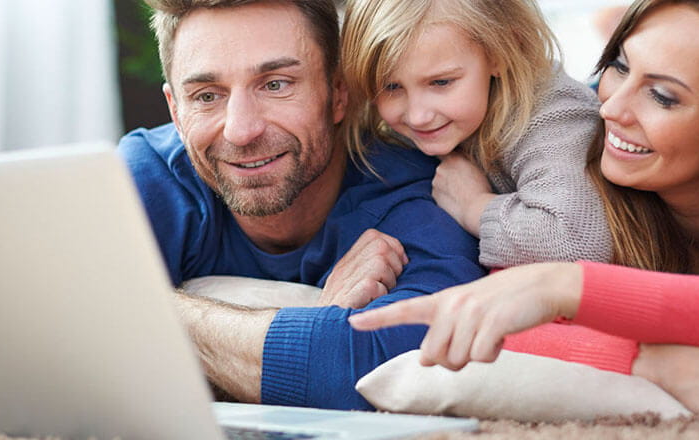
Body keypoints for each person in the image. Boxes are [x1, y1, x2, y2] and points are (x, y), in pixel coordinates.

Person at [350, 0, 699, 426]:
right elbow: (501, 317)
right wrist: (650, 361)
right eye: (618, 66)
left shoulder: (561, 151)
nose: (609, 108)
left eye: (662, 95)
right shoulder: (599, 186)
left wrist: (565, 284)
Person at [118, 0, 485, 410]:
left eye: (276, 84)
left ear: (338, 94)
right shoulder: (147, 176)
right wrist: (317, 322)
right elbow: (56, 340)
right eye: (206, 95)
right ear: (176, 110)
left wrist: (136, 308)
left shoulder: (416, 196)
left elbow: (383, 372)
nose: (241, 130)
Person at [340, 0, 611, 267]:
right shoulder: (402, 126)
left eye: (441, 82)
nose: (417, 116)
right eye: (391, 87)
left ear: (501, 52)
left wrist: (473, 206)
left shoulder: (552, 113)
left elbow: (577, 240)